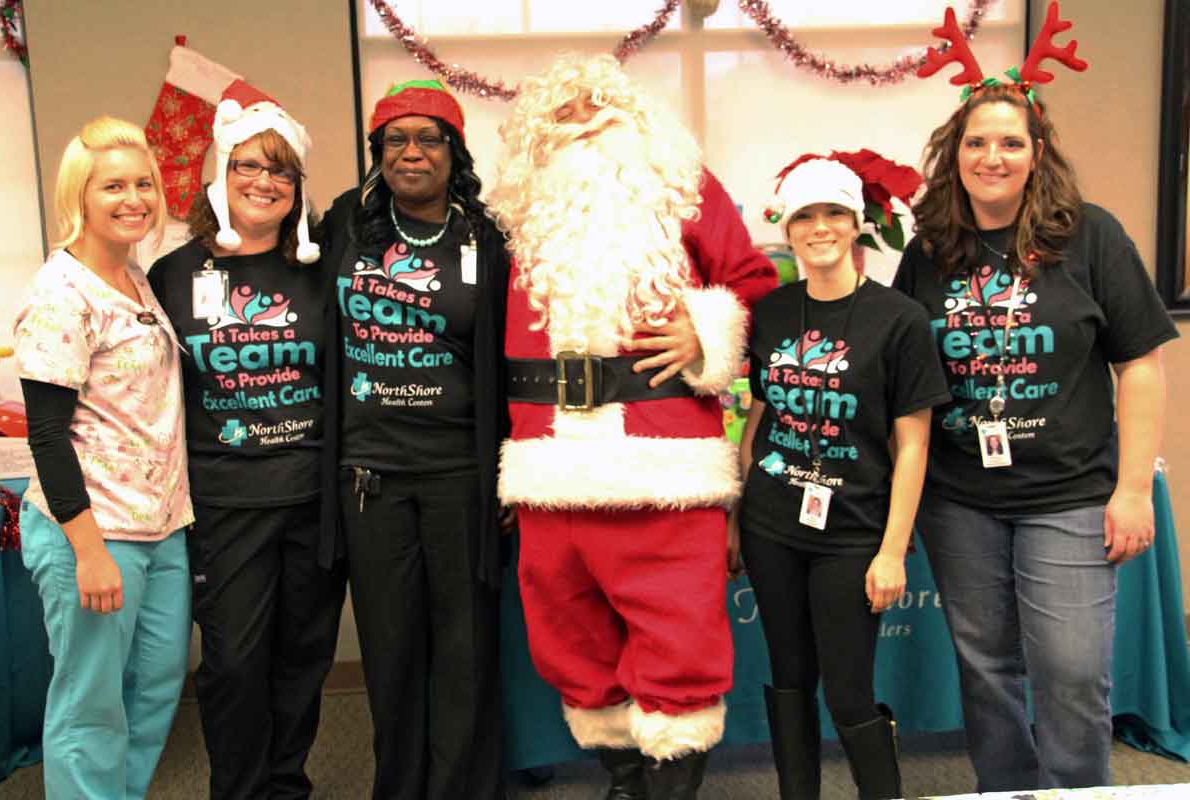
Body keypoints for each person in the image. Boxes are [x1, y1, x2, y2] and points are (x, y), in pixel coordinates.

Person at [894, 4, 1178, 790]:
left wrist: (1131, 490)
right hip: (960, 498)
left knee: (1074, 672)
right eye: (976, 142)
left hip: (1071, 493)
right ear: (954, 155)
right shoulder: (927, 252)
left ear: (1036, 151)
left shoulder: (1091, 235)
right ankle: (1007, 791)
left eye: (1010, 142)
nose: (993, 157)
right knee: (986, 670)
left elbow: (1143, 365)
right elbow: (904, 378)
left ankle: (1078, 793)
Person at [487, 54, 777, 799]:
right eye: (565, 113)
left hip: (666, 457)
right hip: (548, 468)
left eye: (602, 109)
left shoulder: (686, 191)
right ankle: (625, 776)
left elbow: (753, 285)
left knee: (678, 633)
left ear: (639, 123)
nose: (585, 124)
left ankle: (671, 785)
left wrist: (705, 328)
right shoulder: (514, 216)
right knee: (569, 637)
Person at [148, 80, 345, 799]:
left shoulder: (323, 269)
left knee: (303, 657)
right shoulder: (172, 275)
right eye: (248, 166)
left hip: (314, 500)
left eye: (281, 169)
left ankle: (287, 786)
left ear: (298, 185)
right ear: (219, 174)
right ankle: (238, 790)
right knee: (234, 664)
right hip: (225, 501)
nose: (264, 181)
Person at [732, 155, 949, 800]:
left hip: (853, 532)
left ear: (858, 225)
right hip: (773, 523)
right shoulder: (770, 313)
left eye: (834, 214)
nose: (819, 227)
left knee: (849, 690)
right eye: (805, 215)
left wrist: (891, 551)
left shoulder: (899, 319)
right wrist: (737, 513)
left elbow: (913, 445)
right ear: (787, 228)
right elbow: (761, 414)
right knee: (789, 676)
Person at [318, 79, 510, 799]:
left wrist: (510, 468)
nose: (411, 152)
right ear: (377, 152)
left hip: (460, 473)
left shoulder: (485, 237)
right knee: (392, 654)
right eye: (395, 139)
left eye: (429, 138)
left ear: (454, 151)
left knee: (464, 651)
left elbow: (512, 349)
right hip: (370, 476)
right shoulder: (345, 223)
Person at [12, 116, 193, 799]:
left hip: (162, 527)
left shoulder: (135, 279)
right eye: (112, 185)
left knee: (151, 695)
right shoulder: (63, 292)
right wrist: (88, 550)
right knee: (91, 706)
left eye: (144, 183)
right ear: (79, 197)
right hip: (92, 532)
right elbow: (48, 436)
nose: (133, 199)